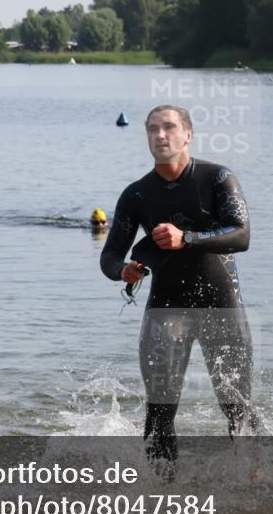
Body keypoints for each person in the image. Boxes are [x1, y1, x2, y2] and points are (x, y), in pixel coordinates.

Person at [100, 105, 259, 472]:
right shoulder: (137, 195)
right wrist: (123, 271)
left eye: (169, 127)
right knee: (158, 412)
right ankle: (161, 498)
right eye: (153, 129)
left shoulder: (218, 178)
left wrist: (185, 238)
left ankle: (256, 481)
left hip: (221, 306)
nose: (160, 135)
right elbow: (109, 255)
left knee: (236, 406)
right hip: (166, 310)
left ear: (187, 135)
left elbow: (241, 235)